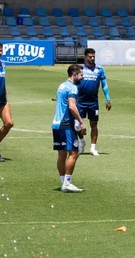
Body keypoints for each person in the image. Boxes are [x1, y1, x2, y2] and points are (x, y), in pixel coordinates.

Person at [52, 64, 86, 193]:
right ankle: (67, 183)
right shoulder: (72, 88)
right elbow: (72, 107)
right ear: (74, 74)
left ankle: (63, 182)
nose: (82, 78)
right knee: (74, 153)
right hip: (65, 124)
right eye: (81, 75)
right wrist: (81, 122)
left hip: (56, 123)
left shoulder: (62, 86)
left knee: (61, 154)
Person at [77, 48, 111, 156]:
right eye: (90, 57)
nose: (92, 58)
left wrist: (108, 99)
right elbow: (72, 83)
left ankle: (93, 148)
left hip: (93, 102)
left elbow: (104, 85)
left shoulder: (100, 69)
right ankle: (82, 141)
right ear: (85, 57)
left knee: (94, 125)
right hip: (80, 102)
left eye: (93, 56)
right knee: (76, 126)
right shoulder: (79, 69)